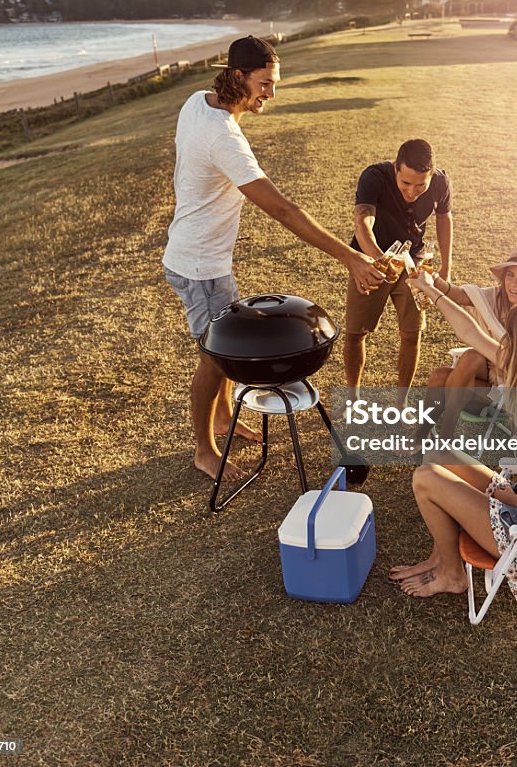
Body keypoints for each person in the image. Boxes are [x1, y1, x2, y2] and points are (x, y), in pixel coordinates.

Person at [163, 36, 383, 483]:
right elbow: (283, 210)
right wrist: (351, 259)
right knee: (214, 356)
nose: (270, 93)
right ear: (238, 75)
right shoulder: (223, 136)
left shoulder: (196, 102)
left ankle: (224, 420)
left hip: (205, 258)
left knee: (223, 346)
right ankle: (204, 450)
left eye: (274, 83)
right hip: (198, 265)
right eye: (265, 83)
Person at [390, 294, 517, 615]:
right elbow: (471, 334)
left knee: (425, 478)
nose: (502, 341)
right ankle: (440, 557)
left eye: (509, 335)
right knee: (438, 453)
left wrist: (512, 500)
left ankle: (453, 575)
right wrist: (434, 291)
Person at [420, 241, 517, 439]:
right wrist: (435, 281)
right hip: (490, 377)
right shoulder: (495, 297)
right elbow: (461, 296)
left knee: (465, 362)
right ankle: (422, 436)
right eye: (510, 275)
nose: (513, 284)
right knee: (440, 375)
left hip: (514, 390)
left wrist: (431, 289)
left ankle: (445, 438)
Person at [343, 139, 452, 391]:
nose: (412, 191)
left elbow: (444, 218)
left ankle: (401, 400)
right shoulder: (374, 176)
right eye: (405, 183)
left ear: (431, 175)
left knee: (412, 333)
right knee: (356, 332)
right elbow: (363, 224)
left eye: (420, 185)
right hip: (371, 259)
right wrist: (381, 261)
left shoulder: (440, 182)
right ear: (395, 168)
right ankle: (353, 395)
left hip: (414, 262)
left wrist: (446, 265)